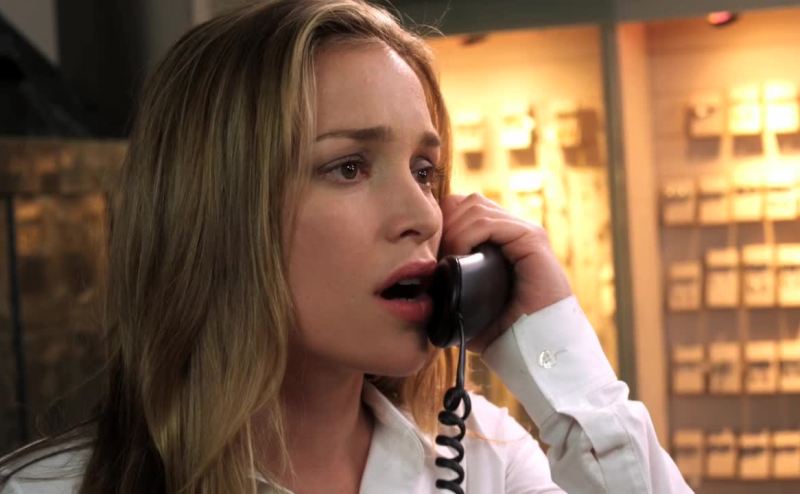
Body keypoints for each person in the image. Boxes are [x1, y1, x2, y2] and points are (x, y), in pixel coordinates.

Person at [0, 0, 693, 492]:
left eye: (425, 171)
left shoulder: (488, 460)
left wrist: (560, 351)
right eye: (349, 167)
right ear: (217, 211)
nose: (421, 214)